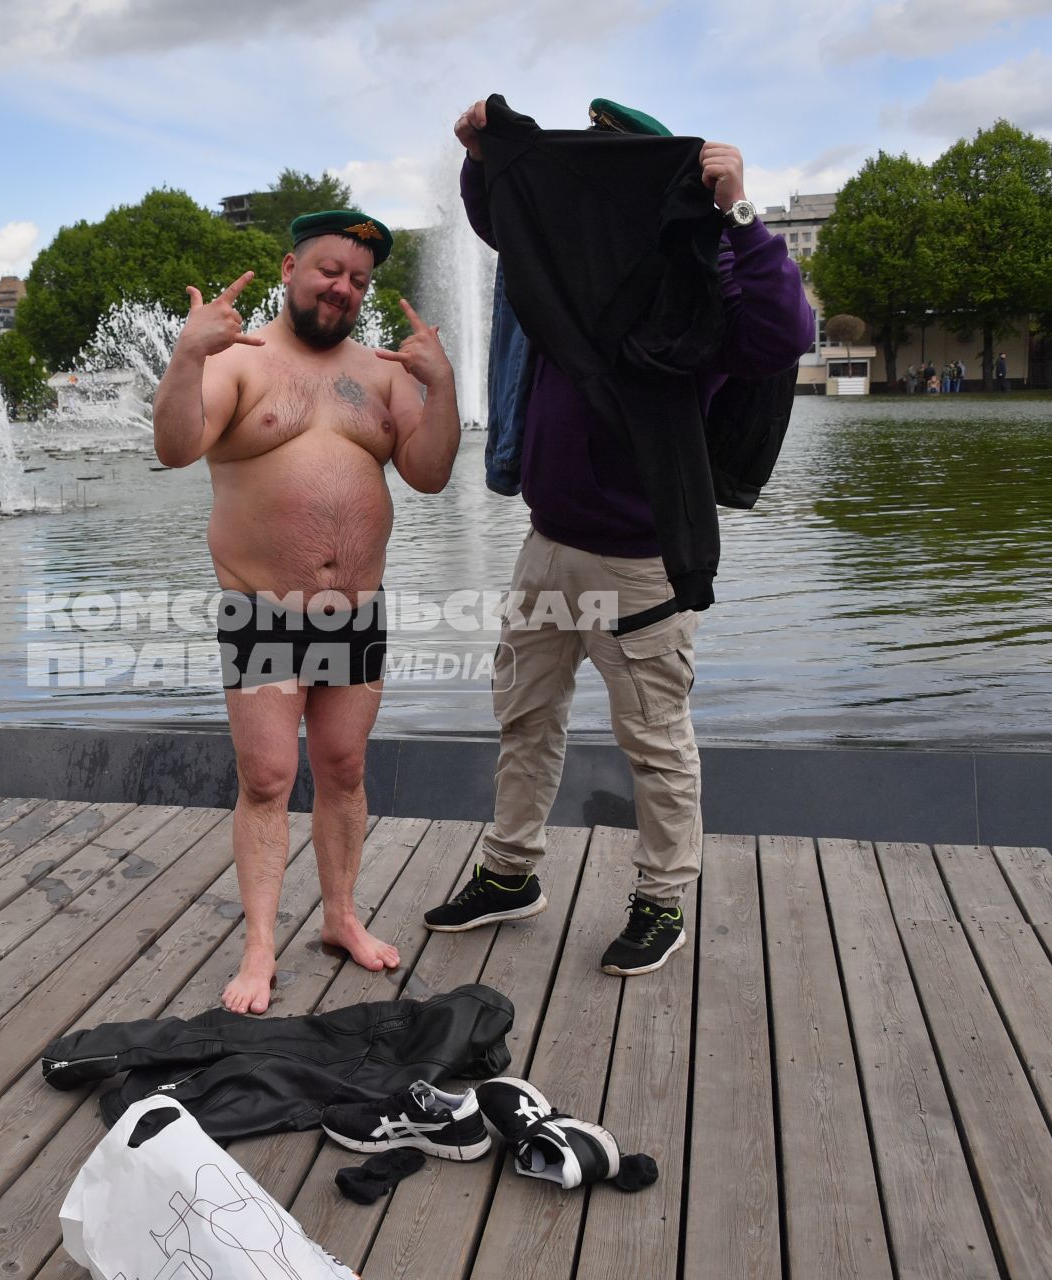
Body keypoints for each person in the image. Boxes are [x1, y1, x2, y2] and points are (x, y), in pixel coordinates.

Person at [423, 94, 812, 977]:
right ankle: (510, 874)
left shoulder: (701, 277)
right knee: (523, 720)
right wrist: (486, 157)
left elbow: (789, 331)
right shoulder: (569, 267)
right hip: (547, 544)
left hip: (642, 565)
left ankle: (661, 901)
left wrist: (738, 207)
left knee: (655, 741)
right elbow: (502, 219)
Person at [152, 210, 460, 1014]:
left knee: (344, 769)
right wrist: (189, 355)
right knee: (266, 778)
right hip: (263, 612)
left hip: (354, 614)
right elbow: (176, 448)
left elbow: (428, 473)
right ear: (289, 269)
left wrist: (443, 383)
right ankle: (258, 950)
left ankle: (340, 918)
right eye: (330, 270)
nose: (343, 288)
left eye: (359, 279)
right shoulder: (240, 360)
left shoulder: (383, 374)